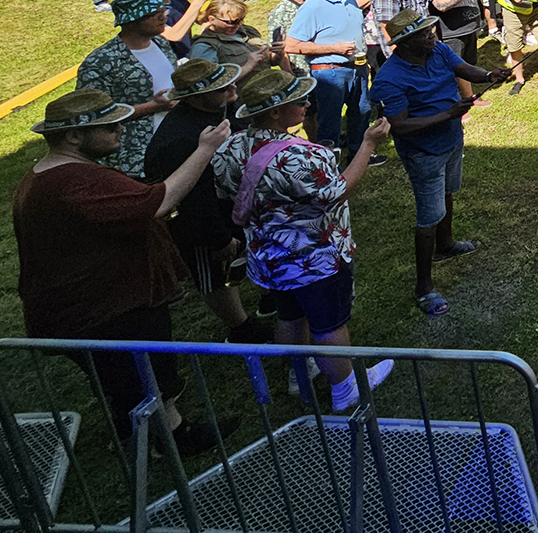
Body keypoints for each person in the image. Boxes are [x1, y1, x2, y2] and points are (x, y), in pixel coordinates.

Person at [12, 88, 238, 452]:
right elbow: (160, 201)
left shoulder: (54, 173)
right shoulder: (74, 182)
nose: (122, 129)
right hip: (106, 308)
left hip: (95, 303)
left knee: (122, 378)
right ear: (72, 136)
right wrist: (205, 149)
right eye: (109, 126)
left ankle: (138, 431)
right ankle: (173, 440)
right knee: (143, 376)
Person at [211, 69, 394, 413]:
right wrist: (368, 144)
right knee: (329, 324)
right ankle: (345, 390)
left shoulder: (228, 148)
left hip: (268, 257)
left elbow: (225, 193)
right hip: (315, 258)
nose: (307, 103)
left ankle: (299, 374)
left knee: (290, 316)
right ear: (275, 112)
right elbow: (337, 193)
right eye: (298, 100)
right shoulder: (302, 156)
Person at [370, 9, 511, 315]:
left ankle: (445, 246)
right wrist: (448, 114)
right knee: (428, 216)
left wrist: (488, 75)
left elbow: (463, 69)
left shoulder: (438, 49)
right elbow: (400, 125)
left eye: (430, 30)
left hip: (451, 139)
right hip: (423, 152)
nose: (431, 35)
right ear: (405, 43)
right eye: (423, 33)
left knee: (447, 194)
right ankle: (424, 288)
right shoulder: (390, 78)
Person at [142, 59, 267, 341]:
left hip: (236, 206)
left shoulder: (224, 109)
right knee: (214, 272)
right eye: (220, 86)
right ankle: (240, 328)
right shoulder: (179, 139)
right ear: (196, 97)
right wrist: (217, 238)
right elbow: (191, 200)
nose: (232, 86)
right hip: (201, 220)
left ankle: (267, 300)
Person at [76, 0, 177, 177]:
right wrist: (151, 107)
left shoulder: (160, 43)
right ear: (130, 21)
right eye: (153, 15)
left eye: (162, 12)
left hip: (172, 139)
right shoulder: (101, 62)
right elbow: (89, 115)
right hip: (134, 155)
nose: (162, 18)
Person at [285, 0, 375, 166]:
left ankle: (358, 157)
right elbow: (291, 45)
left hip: (357, 67)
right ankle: (328, 164)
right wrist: (333, 48)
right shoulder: (311, 8)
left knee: (362, 111)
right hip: (330, 71)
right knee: (330, 120)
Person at [266, 0, 316, 76]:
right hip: (303, 72)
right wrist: (290, 76)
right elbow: (280, 50)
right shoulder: (279, 13)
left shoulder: (320, 1)